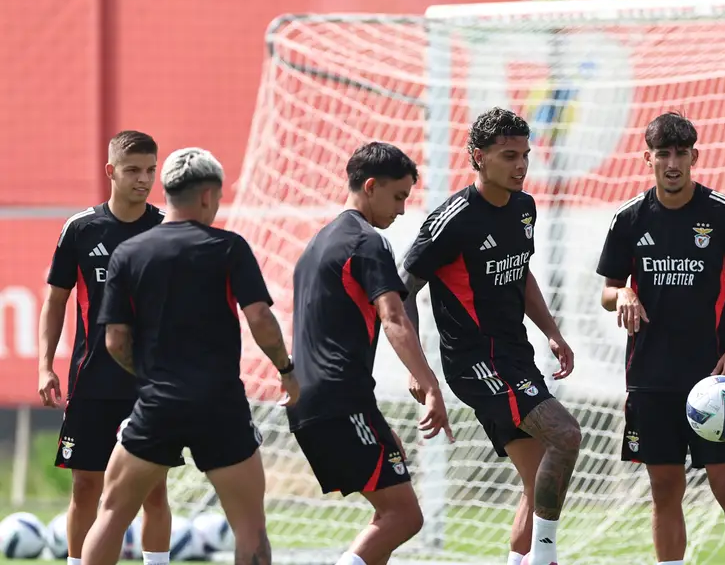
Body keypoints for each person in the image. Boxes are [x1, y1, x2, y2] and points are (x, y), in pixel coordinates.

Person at [79, 147, 299, 565]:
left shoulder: (130, 253)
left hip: (157, 403)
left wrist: (148, 377)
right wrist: (286, 370)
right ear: (207, 195)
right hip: (221, 406)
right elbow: (261, 321)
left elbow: (114, 341)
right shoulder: (229, 248)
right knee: (250, 527)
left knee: (110, 514)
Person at [399, 107, 581, 565]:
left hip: (515, 356)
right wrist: (419, 370)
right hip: (477, 363)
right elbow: (401, 292)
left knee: (538, 475)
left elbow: (521, 275)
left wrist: (552, 332)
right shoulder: (453, 219)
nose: (521, 165)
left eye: (525, 155)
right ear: (478, 157)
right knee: (566, 434)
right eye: (508, 156)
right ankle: (545, 559)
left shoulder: (524, 207)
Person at [595, 111, 725, 565]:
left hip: (712, 378)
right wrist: (625, 292)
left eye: (681, 154)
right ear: (647, 158)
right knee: (665, 489)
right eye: (663, 154)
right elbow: (608, 292)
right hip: (651, 378)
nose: (673, 163)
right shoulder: (628, 220)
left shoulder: (723, 215)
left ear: (695, 156)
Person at [288, 142, 453, 565]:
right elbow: (394, 317)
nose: (400, 211)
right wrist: (430, 384)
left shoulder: (315, 246)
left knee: (388, 512)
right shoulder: (366, 242)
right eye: (398, 197)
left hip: (310, 401)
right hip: (340, 400)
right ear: (371, 186)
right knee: (404, 516)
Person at [36, 130, 176, 565]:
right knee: (85, 488)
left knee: (154, 491)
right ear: (111, 171)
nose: (143, 178)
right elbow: (55, 299)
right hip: (93, 380)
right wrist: (45, 365)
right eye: (133, 170)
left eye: (151, 170)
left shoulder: (166, 228)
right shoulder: (80, 229)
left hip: (150, 387)